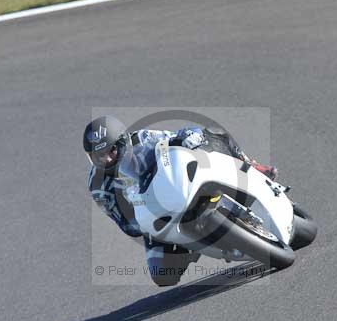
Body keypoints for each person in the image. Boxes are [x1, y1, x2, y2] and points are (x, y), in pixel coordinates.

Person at [84, 115, 277, 286]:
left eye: (111, 151)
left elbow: (175, 137)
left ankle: (251, 166)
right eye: (98, 156)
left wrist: (191, 137)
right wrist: (142, 213)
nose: (106, 159)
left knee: (215, 133)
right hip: (153, 217)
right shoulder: (98, 185)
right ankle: (189, 246)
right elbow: (126, 224)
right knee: (162, 275)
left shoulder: (142, 139)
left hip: (176, 186)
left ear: (122, 142)